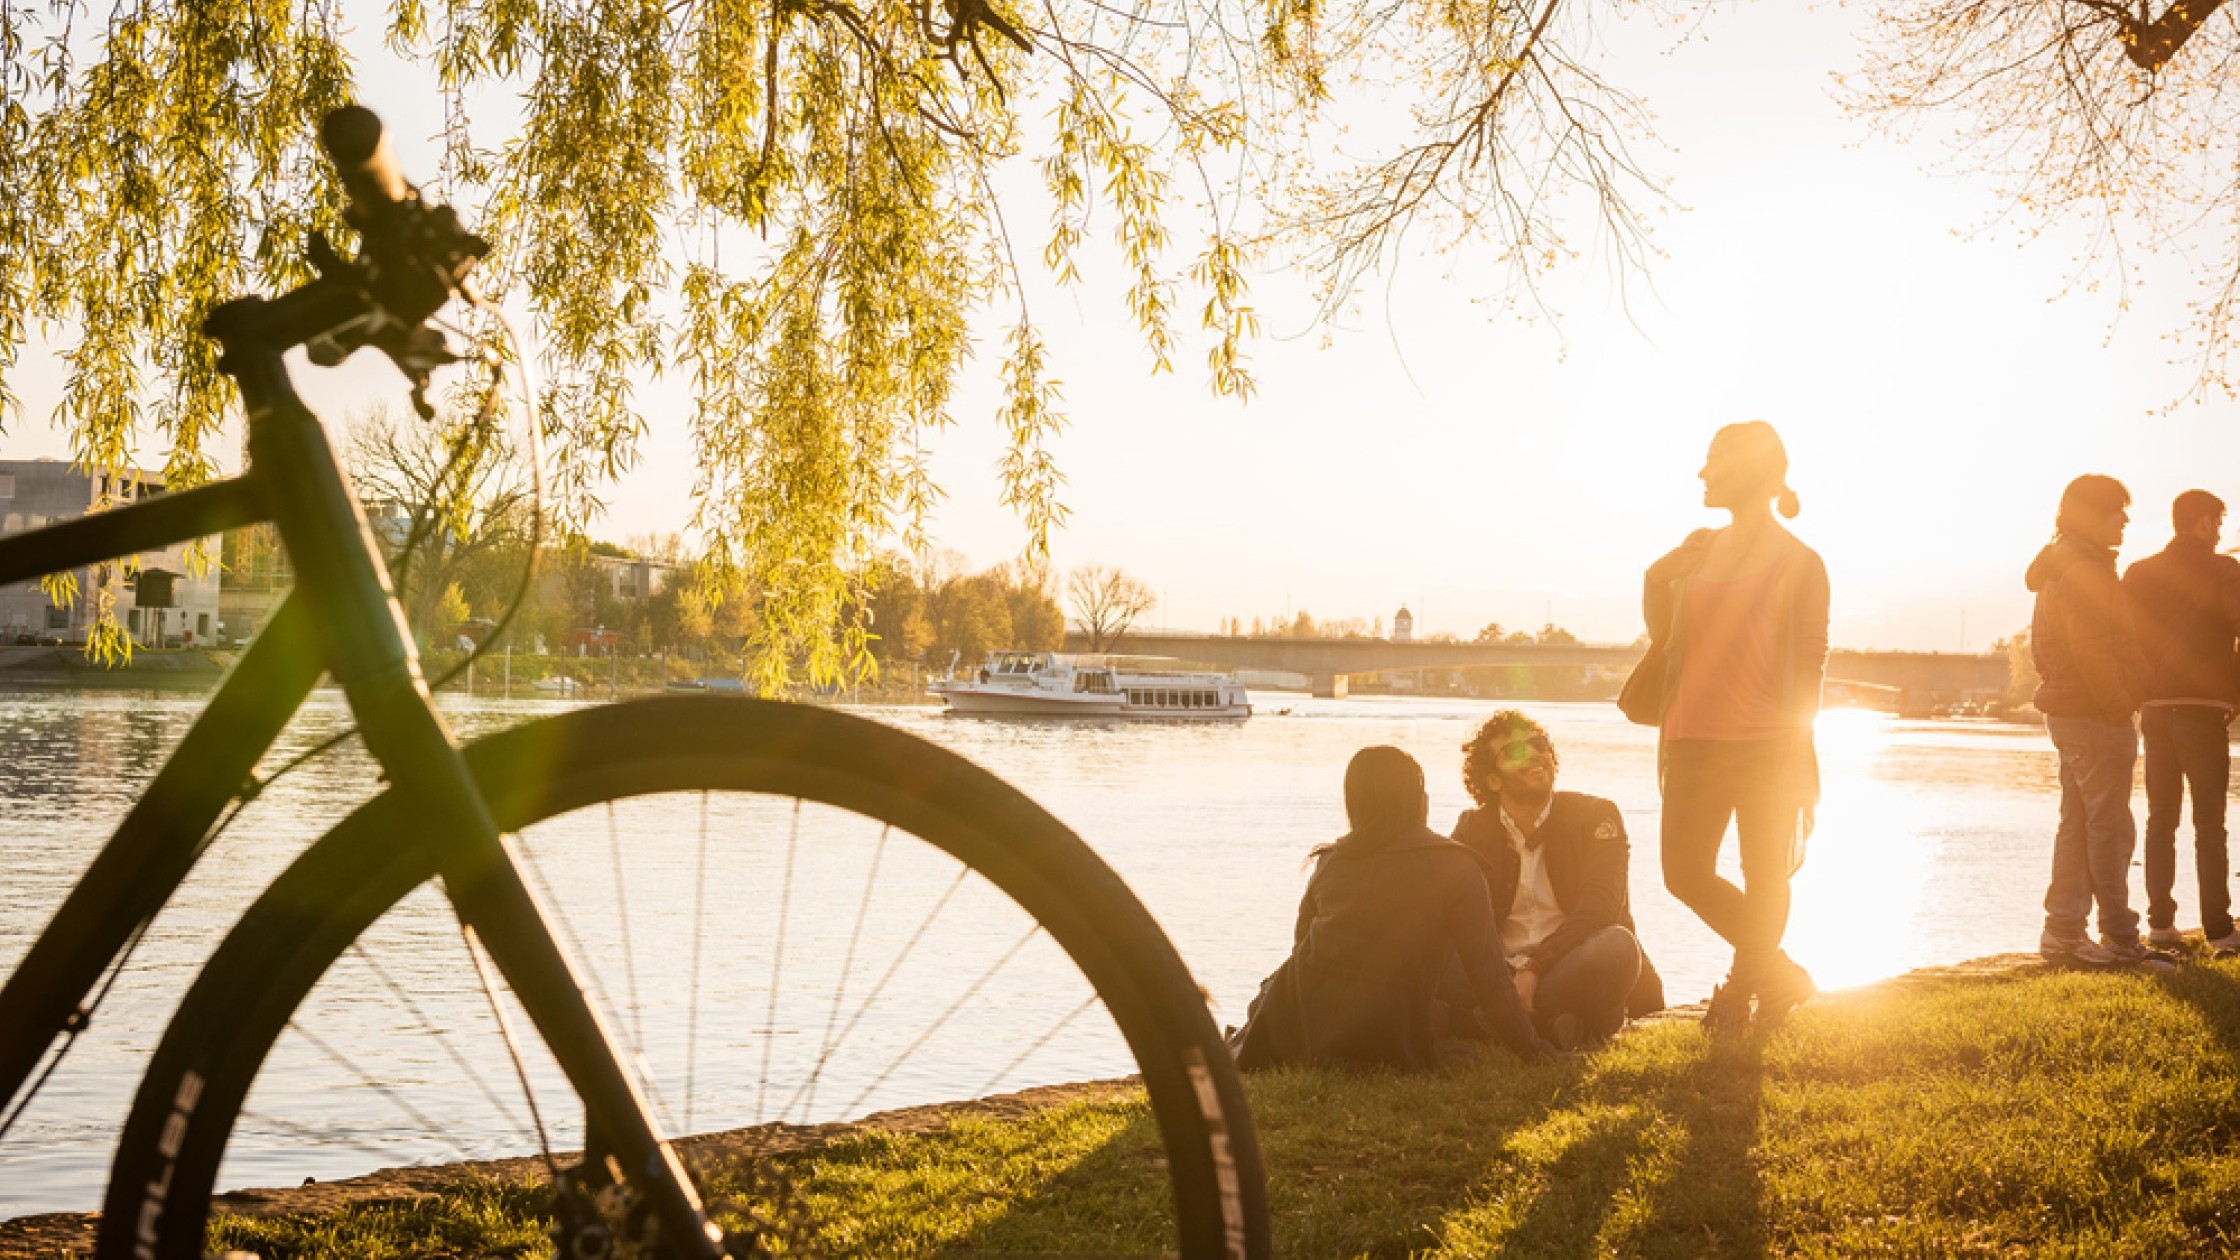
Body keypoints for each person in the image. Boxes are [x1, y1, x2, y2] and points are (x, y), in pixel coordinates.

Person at [1635, 421, 1827, 1031]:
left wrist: (1798, 753)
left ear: (1745, 471)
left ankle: (1744, 989)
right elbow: (1662, 629)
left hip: (1766, 746)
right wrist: (1659, 572)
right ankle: (1782, 975)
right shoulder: (1698, 546)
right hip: (1692, 737)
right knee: (1684, 873)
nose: (1700, 473)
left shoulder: (1802, 563)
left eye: (1712, 462)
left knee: (1764, 873)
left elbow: (1809, 665)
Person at [1230, 746, 1550, 1070]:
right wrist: (1534, 1052)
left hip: (1301, 1025)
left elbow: (1302, 945)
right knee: (1439, 1007)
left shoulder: (1331, 860)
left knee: (1277, 983)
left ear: (1353, 802)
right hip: (1388, 1032)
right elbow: (1490, 978)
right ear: (1417, 799)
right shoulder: (1458, 866)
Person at [1447, 711, 1665, 1049]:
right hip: (1500, 974)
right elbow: (1454, 916)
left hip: (1569, 965)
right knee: (1425, 948)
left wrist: (1535, 967)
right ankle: (1551, 1024)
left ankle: (1495, 1022)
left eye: (1539, 744)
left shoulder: (1596, 816)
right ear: (1492, 780)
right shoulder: (1473, 829)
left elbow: (1599, 911)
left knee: (1618, 946)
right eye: (1515, 751)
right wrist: (1506, 978)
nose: (1535, 753)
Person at [2030, 474, 2177, 968]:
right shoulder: (2086, 570)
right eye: (2118, 510)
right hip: (2094, 716)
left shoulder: (2065, 564)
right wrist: (2121, 701)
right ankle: (2117, 935)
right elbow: (2093, 649)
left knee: (2078, 825)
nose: (2126, 520)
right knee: (2111, 829)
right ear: (2092, 515)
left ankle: (2064, 931)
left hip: (2075, 713)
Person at [2125, 490, 2240, 953]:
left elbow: (2125, 638)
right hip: (2203, 708)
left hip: (2155, 711)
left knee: (2160, 820)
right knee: (2209, 823)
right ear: (2203, 522)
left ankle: (2160, 926)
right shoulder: (2225, 571)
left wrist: (2139, 694)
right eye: (2216, 521)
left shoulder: (2138, 573)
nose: (2219, 530)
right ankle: (2218, 931)